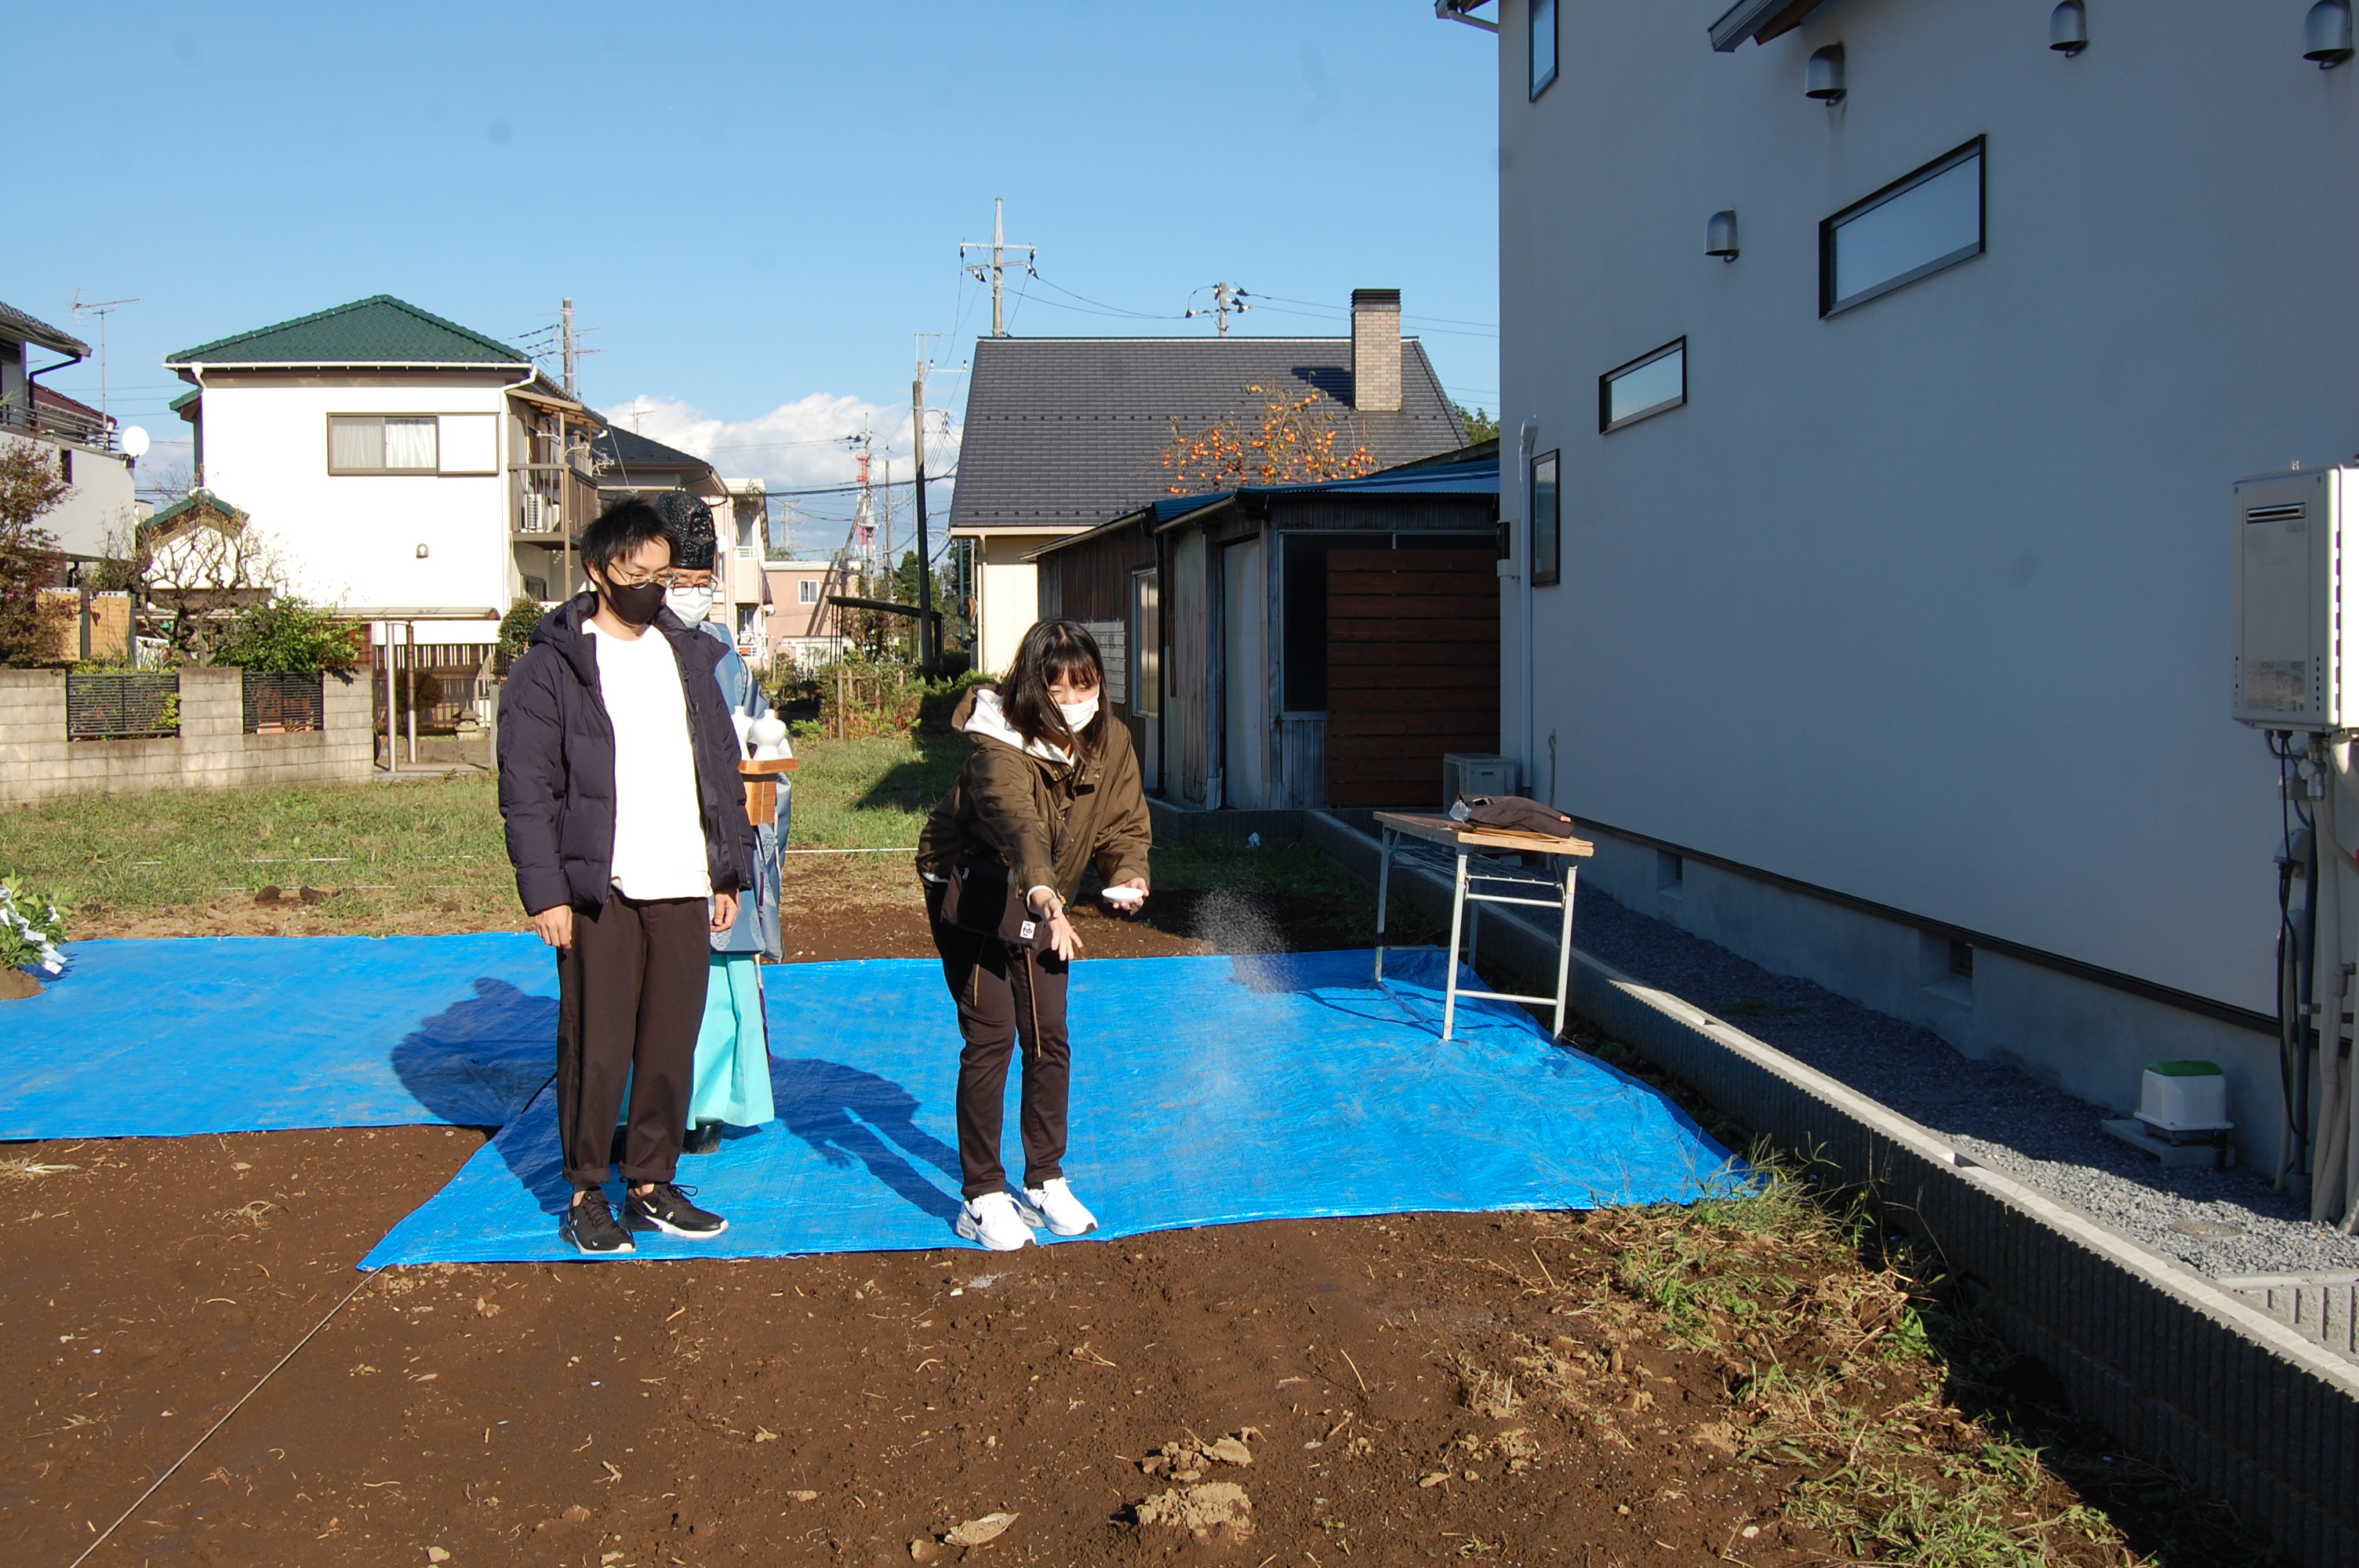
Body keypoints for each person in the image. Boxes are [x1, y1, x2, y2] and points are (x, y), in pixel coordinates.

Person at [498, 498, 756, 1256]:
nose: (651, 586)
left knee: (672, 1039)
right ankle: (584, 1188)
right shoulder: (554, 667)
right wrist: (545, 892)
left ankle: (651, 1181)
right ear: (597, 572)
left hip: (681, 878)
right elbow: (527, 786)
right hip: (599, 888)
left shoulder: (689, 657)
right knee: (597, 1043)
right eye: (634, 571)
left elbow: (720, 771)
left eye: (661, 573)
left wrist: (726, 869)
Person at [916, 619, 1151, 1251]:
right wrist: (1047, 898)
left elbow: (1123, 821)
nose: (1075, 702)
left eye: (1087, 686)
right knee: (991, 1033)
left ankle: (1045, 1177)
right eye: (1059, 689)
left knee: (1049, 1034)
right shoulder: (997, 745)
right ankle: (983, 1194)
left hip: (1048, 905)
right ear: (1032, 689)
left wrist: (1128, 872)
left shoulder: (1113, 740)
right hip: (973, 889)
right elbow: (1017, 825)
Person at [648, 489, 782, 1155]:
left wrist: (763, 740)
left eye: (702, 583)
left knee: (723, 986)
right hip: (657, 836)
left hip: (722, 839)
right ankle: (652, 1110)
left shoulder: (724, 646)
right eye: (677, 582)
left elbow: (760, 726)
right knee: (658, 982)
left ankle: (712, 1106)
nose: (691, 595)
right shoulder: (626, 644)